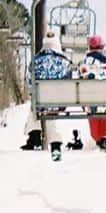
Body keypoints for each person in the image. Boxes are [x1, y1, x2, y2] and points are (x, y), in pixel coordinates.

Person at [25, 29, 72, 160]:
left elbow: (29, 82)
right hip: (59, 102)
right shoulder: (65, 62)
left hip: (40, 103)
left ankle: (34, 136)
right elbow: (69, 83)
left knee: (34, 108)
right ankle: (55, 144)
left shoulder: (35, 61)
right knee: (51, 113)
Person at [78, 34, 106, 151]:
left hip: (91, 102)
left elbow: (80, 79)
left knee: (92, 105)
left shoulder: (84, 63)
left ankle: (97, 137)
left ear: (90, 47)